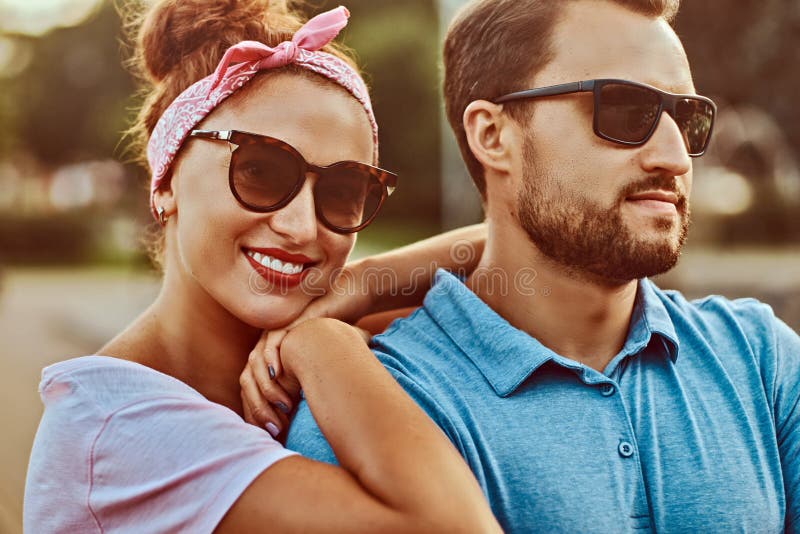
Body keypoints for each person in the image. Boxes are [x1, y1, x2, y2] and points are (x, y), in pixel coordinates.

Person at [282, 0, 800, 531]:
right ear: (492, 135)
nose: (673, 156)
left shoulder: (762, 361)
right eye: (624, 110)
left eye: (687, 120)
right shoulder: (379, 407)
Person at [23, 2, 502, 532]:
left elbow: (528, 250)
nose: (301, 227)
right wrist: (318, 341)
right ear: (166, 182)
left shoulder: (351, 325)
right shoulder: (116, 429)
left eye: (344, 190)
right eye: (258, 170)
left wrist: (361, 284)